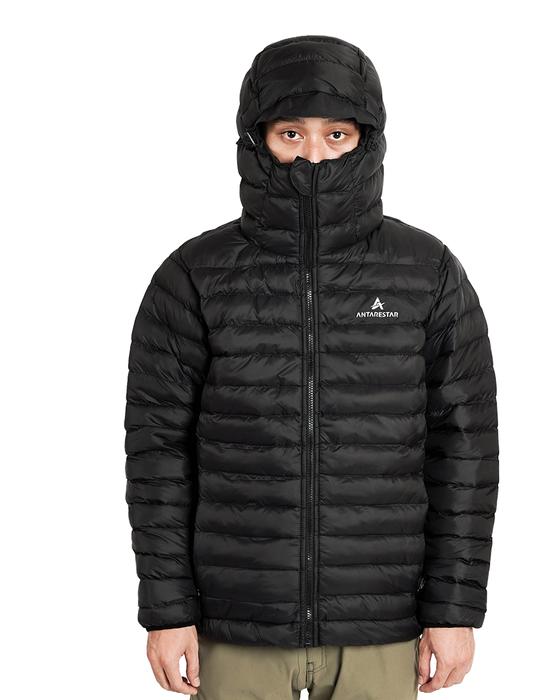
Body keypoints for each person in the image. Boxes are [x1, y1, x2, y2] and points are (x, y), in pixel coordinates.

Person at [124, 34, 499, 699]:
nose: (313, 154)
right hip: (236, 623)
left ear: (367, 141)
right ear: (257, 140)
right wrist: (167, 610)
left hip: (381, 623)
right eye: (291, 133)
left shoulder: (427, 272)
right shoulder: (194, 277)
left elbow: (464, 451)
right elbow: (158, 453)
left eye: (337, 134)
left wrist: (454, 610)